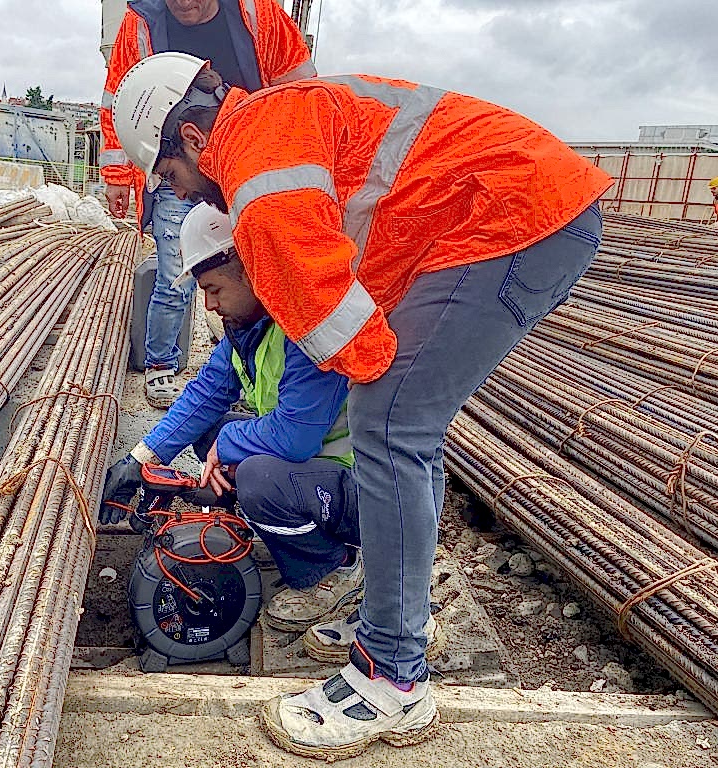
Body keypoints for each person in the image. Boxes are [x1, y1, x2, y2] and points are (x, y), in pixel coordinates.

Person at [111, 53, 613, 760]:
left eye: (170, 177)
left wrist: (350, 384)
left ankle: (393, 676)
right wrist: (149, 454)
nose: (187, 197)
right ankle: (393, 621)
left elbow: (358, 350)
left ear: (193, 140)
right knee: (394, 422)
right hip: (505, 210)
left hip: (515, 215)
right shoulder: (272, 129)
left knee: (391, 423)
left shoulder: (257, 177)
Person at [99, 202, 364, 632]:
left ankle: (337, 570)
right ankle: (266, 528)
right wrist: (141, 458)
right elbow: (204, 395)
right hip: (317, 472)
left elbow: (296, 437)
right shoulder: (251, 326)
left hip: (361, 490)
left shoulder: (306, 326)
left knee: (257, 477)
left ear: (252, 268)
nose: (208, 304)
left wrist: (229, 447)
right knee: (212, 434)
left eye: (215, 288)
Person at [99, 0, 315, 408]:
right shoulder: (142, 22)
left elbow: (298, 85)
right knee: (175, 275)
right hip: (177, 162)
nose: (183, 3)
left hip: (251, 163)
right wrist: (117, 175)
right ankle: (162, 365)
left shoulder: (257, 12)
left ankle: (260, 375)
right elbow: (116, 102)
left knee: (259, 272)